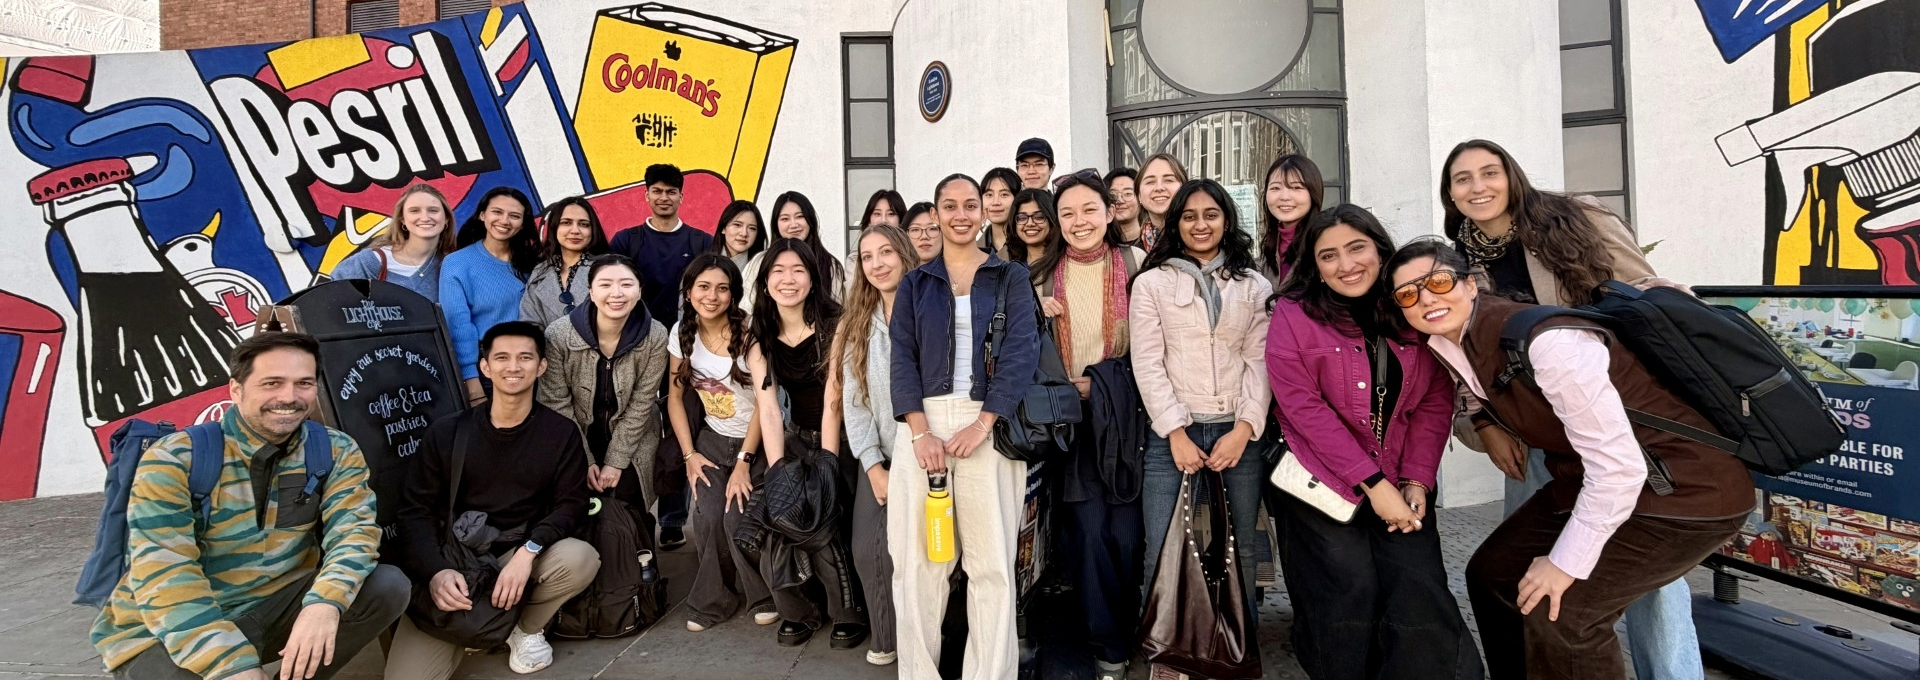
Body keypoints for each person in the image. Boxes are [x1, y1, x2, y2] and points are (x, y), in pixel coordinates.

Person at [1387, 240, 1753, 680]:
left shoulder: (1548, 343)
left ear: (1469, 285)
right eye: (1408, 293)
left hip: (1683, 493)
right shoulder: (1455, 345)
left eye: (1438, 282)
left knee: (1565, 614)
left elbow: (1618, 468)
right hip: (1594, 484)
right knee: (1494, 576)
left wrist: (1563, 563)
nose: (1426, 297)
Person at [1440, 138, 1699, 680]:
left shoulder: (1568, 217)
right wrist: (1482, 422)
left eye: (1489, 173)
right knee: (1525, 563)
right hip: (1534, 432)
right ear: (1450, 194)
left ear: (1512, 175)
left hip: (1616, 417)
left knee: (1646, 566)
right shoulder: (1459, 262)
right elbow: (1460, 351)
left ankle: (1673, 674)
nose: (1478, 186)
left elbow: (1642, 291)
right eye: (1463, 179)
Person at [91, 332, 407, 680]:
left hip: (274, 606)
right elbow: (165, 576)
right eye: (272, 383)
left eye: (303, 383)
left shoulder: (334, 450)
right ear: (236, 390)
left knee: (386, 586)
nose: (289, 397)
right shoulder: (175, 459)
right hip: (170, 626)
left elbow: (355, 532)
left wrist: (324, 604)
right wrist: (232, 665)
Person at [1264, 206, 1481, 679]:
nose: (1346, 264)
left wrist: (1417, 481)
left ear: (1380, 250)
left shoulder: (1409, 310)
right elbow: (1302, 409)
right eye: (1329, 255)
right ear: (1314, 265)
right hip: (1320, 479)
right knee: (1349, 586)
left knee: (1417, 585)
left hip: (1402, 472)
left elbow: (1433, 402)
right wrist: (1373, 485)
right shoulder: (1294, 314)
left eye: (1357, 248)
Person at [889, 173, 1040, 680]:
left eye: (970, 205)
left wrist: (984, 422)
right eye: (948, 206)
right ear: (934, 213)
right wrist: (918, 431)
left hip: (987, 424)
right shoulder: (915, 282)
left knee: (991, 565)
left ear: (984, 212)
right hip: (923, 424)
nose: (960, 214)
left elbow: (1022, 352)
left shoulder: (1010, 277)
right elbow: (902, 361)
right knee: (918, 567)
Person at [388, 321, 599, 678]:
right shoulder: (449, 431)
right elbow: (415, 512)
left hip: (517, 556)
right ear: (485, 366)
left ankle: (523, 628)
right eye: (501, 357)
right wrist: (436, 572)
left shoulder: (559, 432)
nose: (513, 367)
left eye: (524, 358)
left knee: (580, 558)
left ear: (541, 366)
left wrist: (529, 551)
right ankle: (480, 624)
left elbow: (571, 505)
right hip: (458, 563)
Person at [1129, 179, 1265, 637]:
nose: (1200, 224)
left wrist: (1245, 428)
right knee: (1164, 546)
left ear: (1226, 219)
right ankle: (1165, 644)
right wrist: (1175, 432)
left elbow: (1259, 362)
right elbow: (1147, 363)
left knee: (1239, 547)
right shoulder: (1151, 283)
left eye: (1211, 214)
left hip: (1235, 432)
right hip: (1173, 435)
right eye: (1189, 216)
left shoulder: (1253, 284)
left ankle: (1238, 644)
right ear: (1176, 223)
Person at [1046, 173, 1147, 680]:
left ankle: (1132, 627)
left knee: (1128, 534)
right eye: (1067, 213)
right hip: (1073, 423)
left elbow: (1156, 351)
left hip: (1128, 419)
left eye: (1089, 210)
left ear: (1110, 213)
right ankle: (1106, 642)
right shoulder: (1044, 276)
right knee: (1087, 533)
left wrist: (1098, 383)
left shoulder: (1136, 266)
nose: (1079, 222)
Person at [743, 238, 867, 649]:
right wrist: (778, 473)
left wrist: (828, 467)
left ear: (813, 281)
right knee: (783, 517)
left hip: (841, 439)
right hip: (795, 437)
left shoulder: (836, 324)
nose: (787, 280)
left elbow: (834, 400)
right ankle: (800, 610)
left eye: (798, 270)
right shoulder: (759, 334)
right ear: (764, 283)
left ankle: (847, 612)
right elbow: (770, 409)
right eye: (777, 271)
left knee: (829, 520)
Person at [667, 254, 778, 633]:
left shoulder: (750, 333)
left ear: (733, 295)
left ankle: (763, 595)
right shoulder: (681, 332)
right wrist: (689, 455)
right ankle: (713, 600)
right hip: (710, 443)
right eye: (703, 287)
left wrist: (745, 462)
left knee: (737, 517)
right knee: (709, 518)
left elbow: (766, 406)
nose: (712, 296)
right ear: (688, 290)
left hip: (754, 442)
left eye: (722, 288)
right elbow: (675, 398)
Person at [836, 224, 921, 666]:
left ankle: (932, 639)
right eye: (867, 257)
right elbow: (856, 400)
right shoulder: (858, 324)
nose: (877, 264)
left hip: (927, 454)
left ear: (905, 254)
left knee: (927, 555)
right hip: (881, 457)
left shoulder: (930, 309)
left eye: (886, 252)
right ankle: (887, 638)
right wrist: (871, 464)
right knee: (869, 549)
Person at [537, 255, 669, 513]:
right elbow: (555, 403)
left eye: (627, 285)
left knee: (629, 502)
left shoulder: (655, 335)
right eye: (606, 284)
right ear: (591, 292)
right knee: (576, 504)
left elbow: (642, 403)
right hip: (574, 436)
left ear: (640, 291)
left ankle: (638, 550)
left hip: (632, 436)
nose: (616, 293)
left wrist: (616, 461)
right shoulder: (558, 335)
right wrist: (584, 459)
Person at [443, 187, 539, 405]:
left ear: (522, 224)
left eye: (514, 216)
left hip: (532, 361)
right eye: (497, 212)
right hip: (488, 366)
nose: (504, 221)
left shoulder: (532, 264)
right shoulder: (457, 263)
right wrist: (471, 380)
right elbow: (458, 325)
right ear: (482, 215)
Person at [610, 163, 715, 328]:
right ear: (647, 195)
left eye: (671, 192)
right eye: (657, 191)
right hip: (636, 333)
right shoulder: (625, 240)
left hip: (689, 334)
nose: (664, 198)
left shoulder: (703, 241)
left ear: (681, 197)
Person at [331, 184, 456, 301]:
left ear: (446, 219)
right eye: (414, 211)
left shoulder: (453, 265)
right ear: (402, 220)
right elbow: (332, 299)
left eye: (433, 210)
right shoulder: (371, 261)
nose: (425, 217)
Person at [741, 191, 847, 308]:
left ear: (810, 220)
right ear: (776, 224)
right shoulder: (761, 261)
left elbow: (838, 309)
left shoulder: (829, 264)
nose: (794, 224)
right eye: (785, 219)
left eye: (800, 217)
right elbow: (747, 306)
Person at [521, 196, 611, 329]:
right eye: (566, 223)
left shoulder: (610, 268)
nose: (575, 231)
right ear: (554, 227)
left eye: (584, 224)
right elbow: (529, 324)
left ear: (593, 230)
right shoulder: (540, 272)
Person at [1259, 154, 1325, 285]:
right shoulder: (1269, 249)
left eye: (1296, 188)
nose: (1284, 197)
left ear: (1313, 193)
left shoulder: (1325, 241)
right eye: (1275, 188)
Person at [1004, 188, 1065, 285]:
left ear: (1051, 219)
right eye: (1022, 218)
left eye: (1039, 217)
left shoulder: (1066, 263)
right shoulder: (1006, 266)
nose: (1030, 223)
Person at [1135, 154, 1188, 253]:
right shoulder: (1130, 256)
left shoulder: (1200, 238)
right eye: (1150, 182)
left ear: (1184, 187)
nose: (1159, 188)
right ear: (1139, 195)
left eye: (1168, 180)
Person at [712, 199, 767, 270]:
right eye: (737, 225)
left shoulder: (763, 269)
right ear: (723, 228)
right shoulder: (703, 263)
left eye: (752, 228)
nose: (744, 233)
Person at [978, 167, 1022, 256]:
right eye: (989, 195)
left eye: (1004, 194)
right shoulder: (974, 250)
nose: (995, 202)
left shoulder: (1031, 247)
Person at [1102, 167, 1144, 248]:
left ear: (1141, 198)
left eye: (1128, 193)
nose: (1119, 200)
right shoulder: (1097, 245)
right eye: (1112, 195)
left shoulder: (1154, 243)